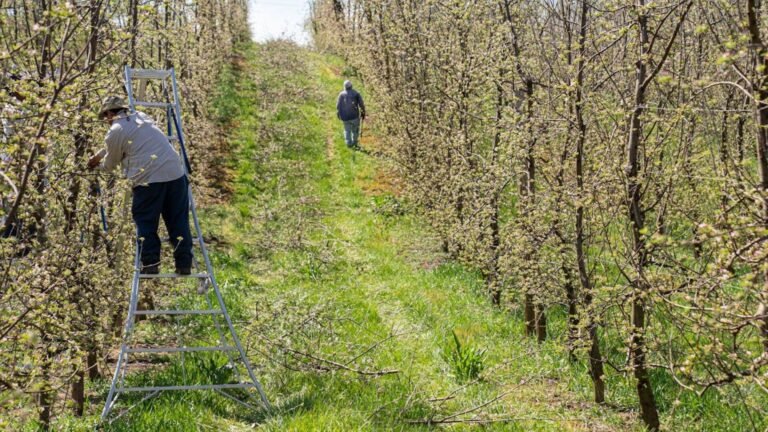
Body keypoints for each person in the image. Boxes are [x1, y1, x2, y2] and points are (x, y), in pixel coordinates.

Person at [88, 96, 193, 275]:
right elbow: (121, 143)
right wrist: (100, 154)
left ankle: (150, 263)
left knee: (146, 221)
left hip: (148, 180)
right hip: (176, 174)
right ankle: (184, 264)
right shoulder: (142, 117)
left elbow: (111, 163)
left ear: (110, 113)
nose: (106, 121)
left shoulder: (115, 130)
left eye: (105, 117)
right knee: (178, 220)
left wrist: (97, 165)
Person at [336, 80, 366, 150]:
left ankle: (349, 144)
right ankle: (355, 142)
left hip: (345, 116)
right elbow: (361, 104)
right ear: (351, 86)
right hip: (354, 116)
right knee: (355, 130)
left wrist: (338, 113)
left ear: (344, 87)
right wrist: (363, 112)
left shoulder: (341, 94)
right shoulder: (356, 93)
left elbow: (338, 105)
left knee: (347, 130)